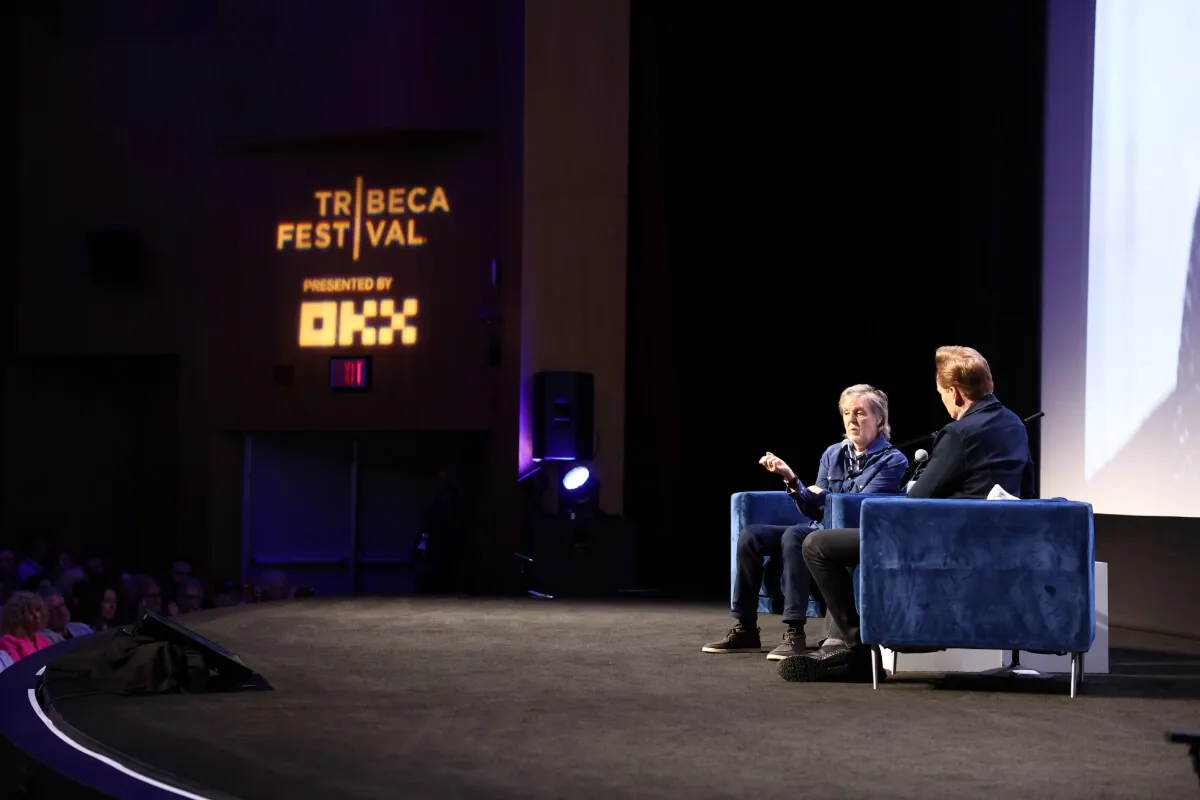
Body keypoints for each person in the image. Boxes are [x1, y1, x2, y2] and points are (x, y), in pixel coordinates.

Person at [781, 346, 1033, 682]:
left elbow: (918, 499)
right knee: (841, 543)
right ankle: (850, 646)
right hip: (994, 539)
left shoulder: (960, 433)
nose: (944, 401)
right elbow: (1027, 490)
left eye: (942, 394)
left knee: (817, 544)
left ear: (956, 393)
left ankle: (859, 652)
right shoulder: (1014, 424)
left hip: (943, 540)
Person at [703, 384, 909, 660]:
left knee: (795, 535)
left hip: (845, 539)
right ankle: (746, 629)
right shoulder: (833, 454)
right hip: (818, 527)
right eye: (846, 413)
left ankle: (795, 633)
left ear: (879, 419)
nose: (851, 420)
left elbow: (858, 506)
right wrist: (791, 478)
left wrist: (821, 496)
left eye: (860, 413)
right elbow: (813, 507)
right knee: (752, 536)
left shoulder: (893, 460)